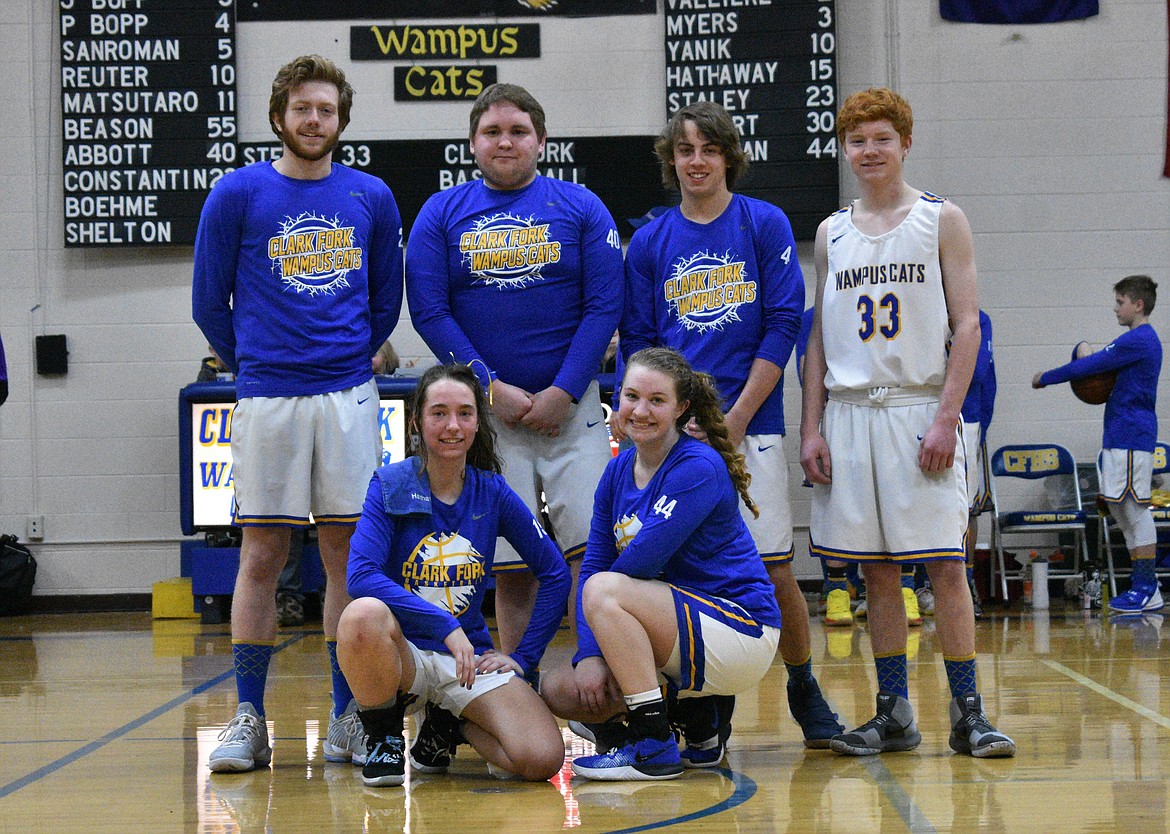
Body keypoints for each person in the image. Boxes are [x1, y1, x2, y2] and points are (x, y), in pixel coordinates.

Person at [192, 54, 405, 772]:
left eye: (327, 110)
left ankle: (347, 716)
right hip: (267, 397)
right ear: (279, 116)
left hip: (347, 396)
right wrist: (253, 360)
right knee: (262, 555)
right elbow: (206, 303)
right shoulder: (236, 193)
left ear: (341, 119)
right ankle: (249, 719)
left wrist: (351, 356)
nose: (314, 121)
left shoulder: (372, 196)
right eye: (302, 109)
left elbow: (384, 304)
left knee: (347, 557)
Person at [618, 101, 841, 752]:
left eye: (707, 149)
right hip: (674, 439)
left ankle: (804, 688)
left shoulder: (762, 223)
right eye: (683, 150)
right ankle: (706, 706)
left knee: (772, 570)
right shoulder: (652, 242)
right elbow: (639, 342)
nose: (695, 161)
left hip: (754, 426)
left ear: (727, 157)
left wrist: (735, 418)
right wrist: (661, 425)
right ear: (671, 161)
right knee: (681, 575)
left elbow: (782, 326)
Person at [800, 87, 1014, 758]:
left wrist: (948, 418)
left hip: (921, 408)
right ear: (846, 148)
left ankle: (969, 713)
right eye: (857, 139)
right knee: (877, 572)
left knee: (945, 566)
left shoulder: (941, 218)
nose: (869, 150)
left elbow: (969, 325)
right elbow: (816, 344)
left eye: (881, 138)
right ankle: (892, 711)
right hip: (850, 413)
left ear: (904, 143)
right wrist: (811, 428)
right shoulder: (831, 232)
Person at [406, 86, 620, 666]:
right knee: (510, 566)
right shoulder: (441, 212)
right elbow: (429, 309)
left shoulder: (580, 206)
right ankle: (519, 682)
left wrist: (564, 390)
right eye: (493, 132)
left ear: (541, 142)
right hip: (490, 420)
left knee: (590, 556)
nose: (506, 141)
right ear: (472, 143)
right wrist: (489, 388)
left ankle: (595, 681)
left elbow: (605, 306)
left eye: (518, 131)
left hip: (573, 415)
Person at [539, 347, 782, 781]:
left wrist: (598, 635)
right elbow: (595, 560)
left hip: (741, 630)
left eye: (657, 401)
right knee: (563, 687)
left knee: (605, 590)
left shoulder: (698, 466)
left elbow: (636, 565)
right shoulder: (617, 472)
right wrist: (591, 654)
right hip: (680, 625)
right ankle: (688, 720)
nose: (641, 410)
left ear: (681, 408)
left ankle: (654, 745)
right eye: (631, 397)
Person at [336, 362, 571, 787]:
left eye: (465, 413)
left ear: (479, 422)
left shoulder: (492, 491)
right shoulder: (389, 484)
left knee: (541, 759)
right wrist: (444, 624)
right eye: (439, 413)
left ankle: (449, 723)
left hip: (466, 661)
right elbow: (361, 576)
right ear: (417, 421)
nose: (453, 425)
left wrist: (522, 658)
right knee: (360, 616)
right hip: (403, 653)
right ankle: (384, 735)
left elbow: (555, 572)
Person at [1033, 275, 1162, 613]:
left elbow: (1092, 364)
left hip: (1133, 437)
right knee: (1120, 508)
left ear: (1138, 304)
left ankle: (1147, 587)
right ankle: (1143, 586)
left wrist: (1047, 377)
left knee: (1134, 509)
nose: (1115, 308)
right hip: (1121, 436)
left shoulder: (1140, 340)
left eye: (1120, 302)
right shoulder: (1134, 341)